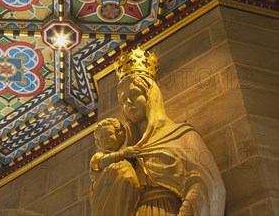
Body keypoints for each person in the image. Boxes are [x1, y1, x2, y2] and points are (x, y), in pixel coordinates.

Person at [116, 49, 226, 216]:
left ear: (151, 96)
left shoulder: (181, 135)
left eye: (134, 94)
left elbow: (205, 182)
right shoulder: (127, 155)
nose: (128, 102)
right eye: (123, 100)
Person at [89, 117, 140, 216]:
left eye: (109, 134)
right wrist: (123, 154)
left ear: (119, 135)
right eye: (101, 137)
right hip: (104, 195)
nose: (106, 139)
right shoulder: (98, 156)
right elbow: (102, 162)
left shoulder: (126, 159)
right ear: (98, 142)